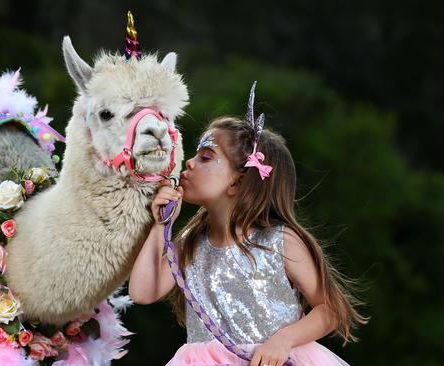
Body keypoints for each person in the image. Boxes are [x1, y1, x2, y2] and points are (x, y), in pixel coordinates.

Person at [129, 83, 367, 366]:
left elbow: (330, 309)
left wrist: (284, 340)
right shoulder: (191, 241)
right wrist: (160, 226)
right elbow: (142, 293)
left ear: (238, 182)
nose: (189, 164)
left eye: (205, 157)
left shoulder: (280, 240)